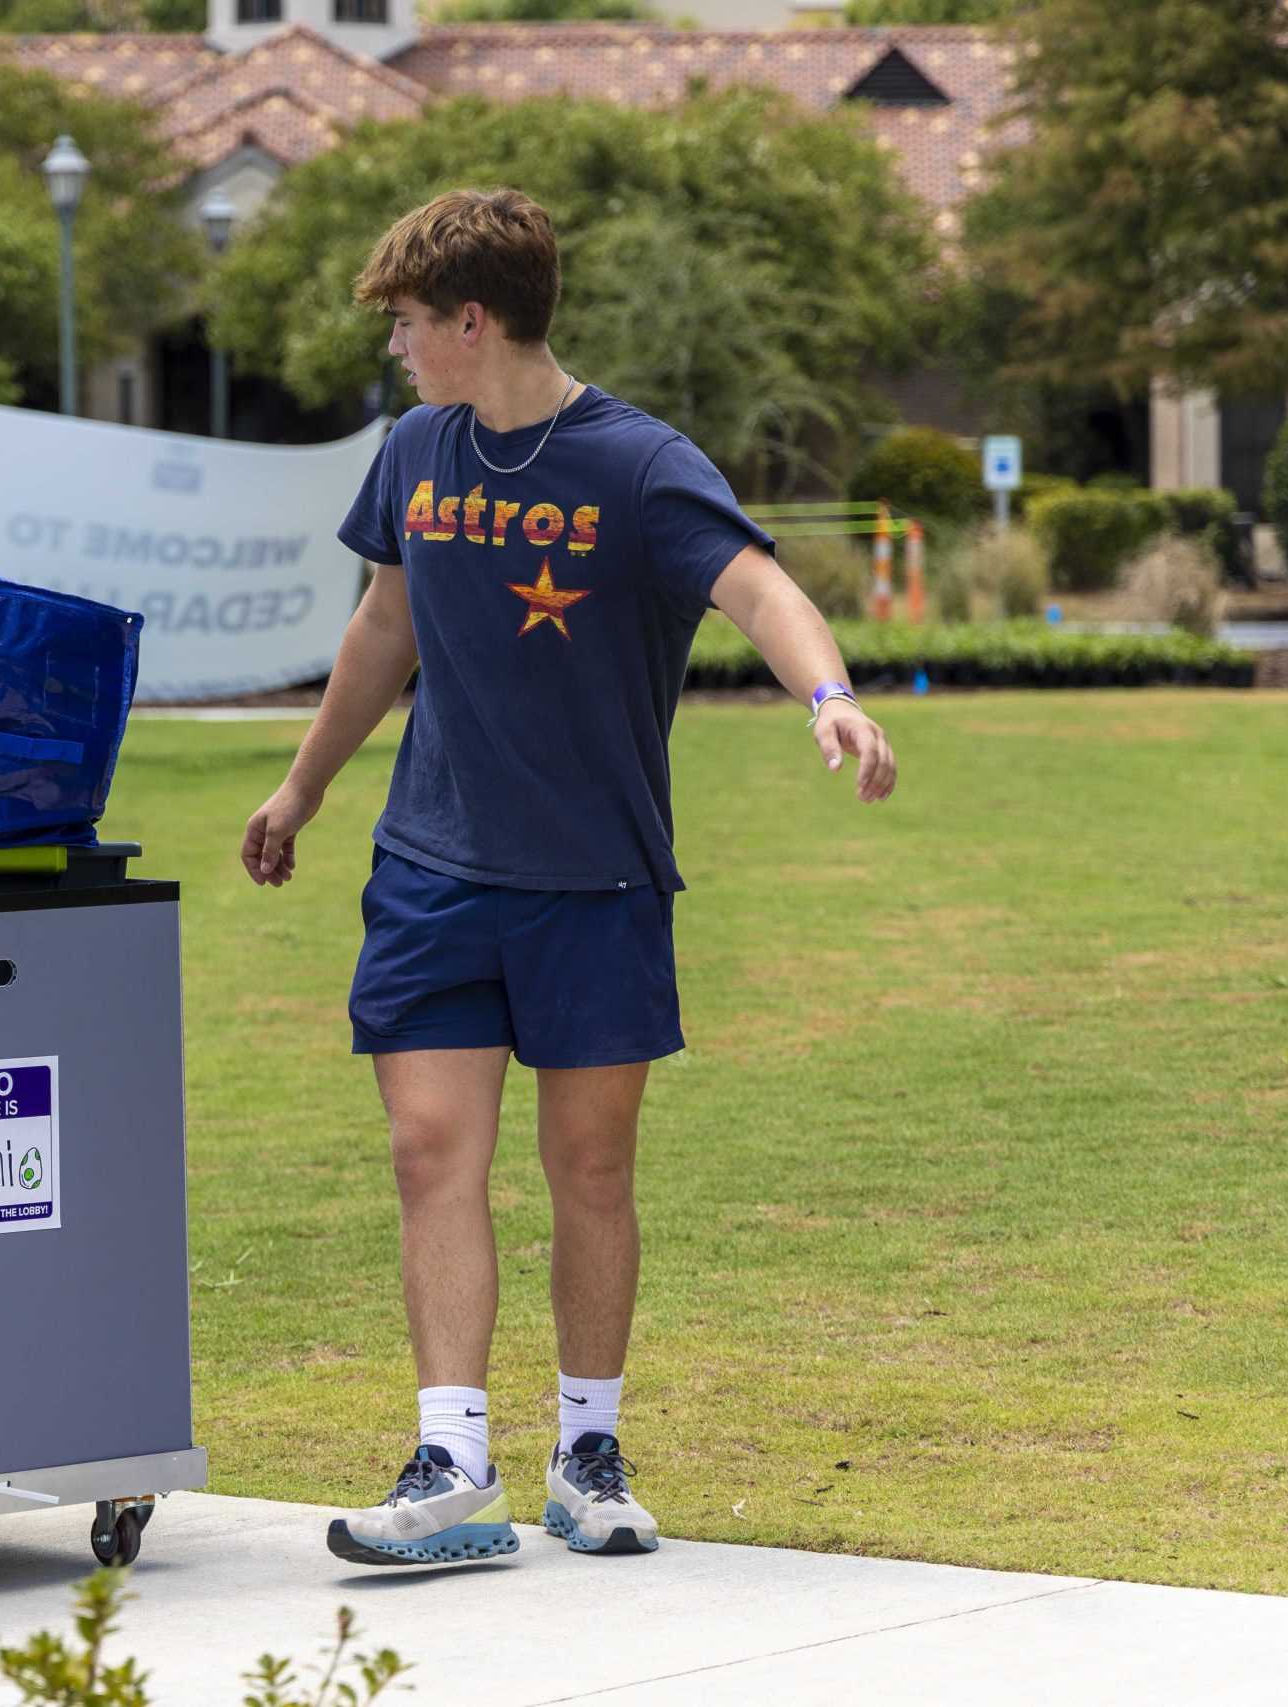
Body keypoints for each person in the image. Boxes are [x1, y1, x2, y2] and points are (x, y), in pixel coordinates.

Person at [240, 189, 894, 1566]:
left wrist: (828, 692)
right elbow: (386, 623)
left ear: (472, 320)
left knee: (589, 1166)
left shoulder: (640, 466)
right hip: (433, 866)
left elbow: (762, 589)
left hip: (593, 879)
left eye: (411, 325)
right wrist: (303, 786)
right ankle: (453, 1460)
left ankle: (587, 1450)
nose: (401, 349)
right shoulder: (418, 449)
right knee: (433, 1151)